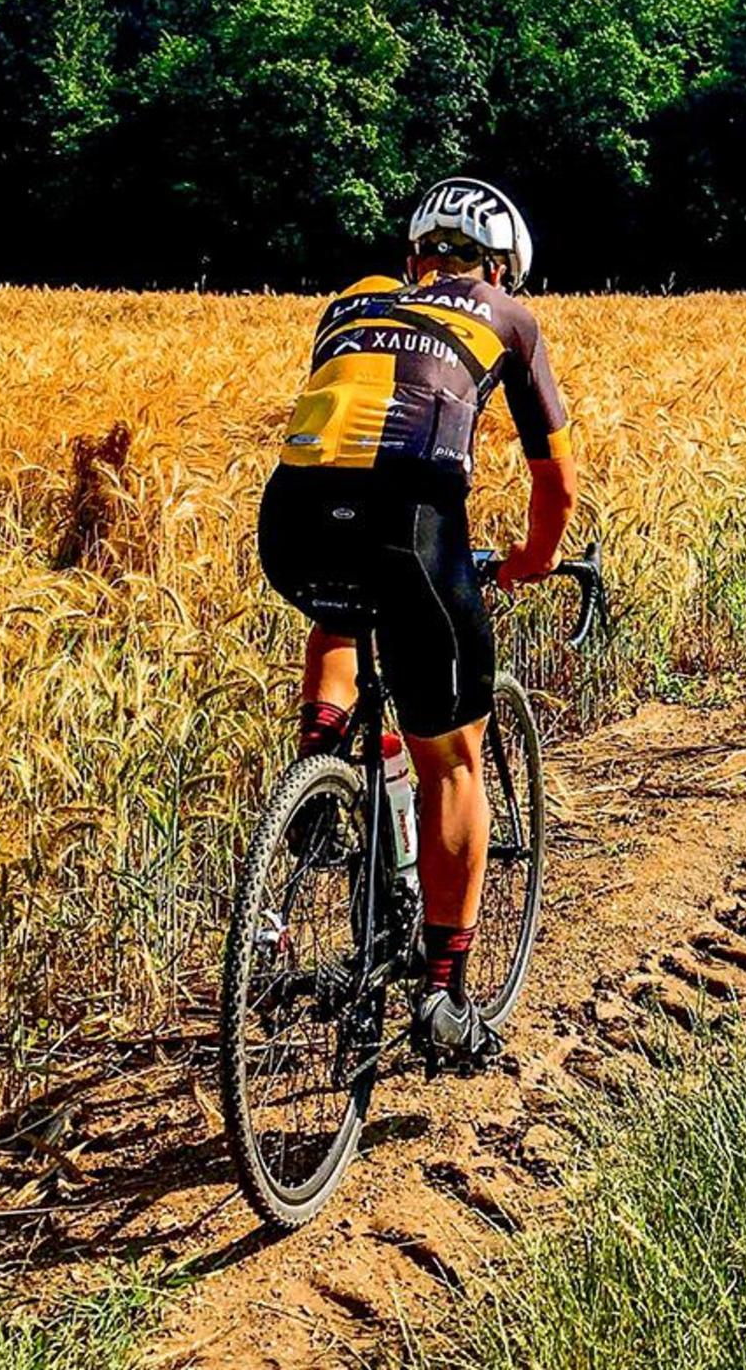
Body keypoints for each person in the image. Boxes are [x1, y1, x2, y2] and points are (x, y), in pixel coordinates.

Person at [255, 176, 577, 1060]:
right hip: (413, 533)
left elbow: (349, 434)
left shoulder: (352, 302)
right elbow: (555, 481)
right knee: (452, 760)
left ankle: (319, 767)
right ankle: (443, 999)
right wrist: (536, 558)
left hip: (290, 522)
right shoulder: (506, 319)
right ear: (503, 269)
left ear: (414, 255)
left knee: (341, 612)